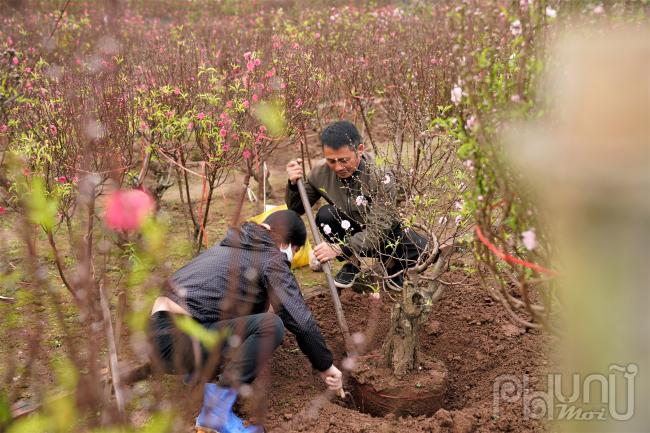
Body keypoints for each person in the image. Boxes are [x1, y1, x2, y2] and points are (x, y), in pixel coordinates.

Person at [148, 210, 342, 433]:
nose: (292, 257)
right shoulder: (271, 258)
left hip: (158, 333)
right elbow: (301, 320)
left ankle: (198, 376)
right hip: (177, 340)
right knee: (270, 326)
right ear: (287, 244)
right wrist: (326, 365)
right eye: (295, 251)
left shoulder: (232, 245)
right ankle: (215, 414)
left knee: (246, 320)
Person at [285, 120, 429, 289]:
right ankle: (351, 264)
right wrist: (294, 185)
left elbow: (379, 230)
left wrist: (339, 248)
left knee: (423, 251)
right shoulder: (320, 173)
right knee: (326, 215)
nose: (338, 167)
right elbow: (296, 209)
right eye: (331, 161)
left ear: (359, 150)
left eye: (344, 160)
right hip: (352, 230)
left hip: (385, 234)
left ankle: (392, 266)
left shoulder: (380, 176)